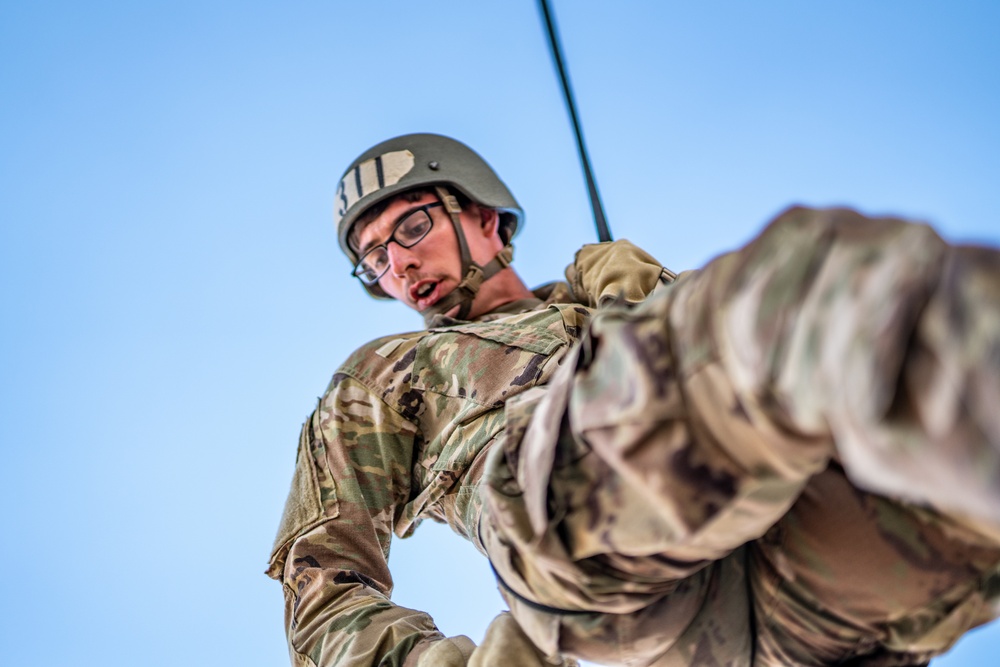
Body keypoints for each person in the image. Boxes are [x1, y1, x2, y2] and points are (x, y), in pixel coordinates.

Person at [267, 133, 1000, 667]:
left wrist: (645, 297)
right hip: (602, 557)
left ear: (487, 219)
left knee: (837, 330)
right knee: (785, 289)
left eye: (412, 225)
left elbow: (769, 367)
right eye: (373, 258)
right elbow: (322, 587)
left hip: (814, 576)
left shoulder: (614, 293)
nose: (395, 263)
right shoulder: (384, 372)